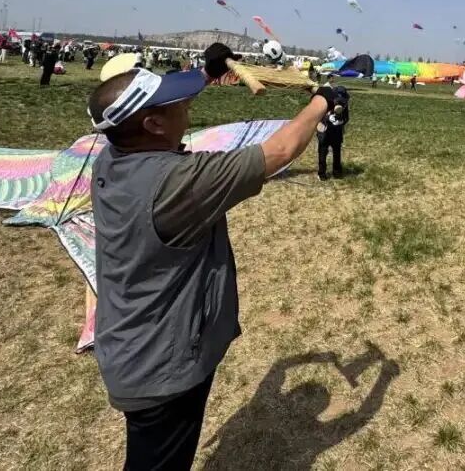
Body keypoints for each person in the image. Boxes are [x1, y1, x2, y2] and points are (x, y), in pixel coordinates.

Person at [87, 42, 337, 470]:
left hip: (131, 346)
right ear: (153, 123)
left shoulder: (114, 157)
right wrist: (322, 102)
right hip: (162, 368)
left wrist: (206, 73)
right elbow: (277, 152)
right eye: (175, 104)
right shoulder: (178, 183)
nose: (186, 106)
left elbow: (150, 112)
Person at [318, 85, 349, 180]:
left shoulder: (344, 104)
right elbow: (318, 115)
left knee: (337, 153)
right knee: (323, 152)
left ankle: (337, 172)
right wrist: (327, 118)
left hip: (337, 132)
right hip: (325, 132)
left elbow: (346, 117)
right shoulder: (325, 102)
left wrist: (341, 121)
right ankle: (322, 173)